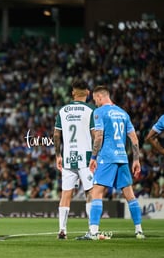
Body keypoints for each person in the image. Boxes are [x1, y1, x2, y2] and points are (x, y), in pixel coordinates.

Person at [84, 85, 145, 240]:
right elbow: (134, 139)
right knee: (130, 195)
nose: (95, 103)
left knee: (96, 192)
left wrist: (93, 158)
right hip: (122, 158)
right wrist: (136, 159)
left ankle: (93, 231)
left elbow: (98, 137)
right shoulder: (123, 113)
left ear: (99, 97)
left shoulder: (99, 112)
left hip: (107, 157)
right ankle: (139, 231)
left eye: (95, 100)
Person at [53, 79, 95, 240]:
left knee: (66, 194)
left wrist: (58, 155)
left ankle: (62, 230)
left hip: (68, 158)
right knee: (90, 192)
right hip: (86, 158)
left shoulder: (63, 111)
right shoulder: (91, 110)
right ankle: (92, 229)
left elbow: (56, 135)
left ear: (72, 93)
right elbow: (94, 134)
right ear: (88, 92)